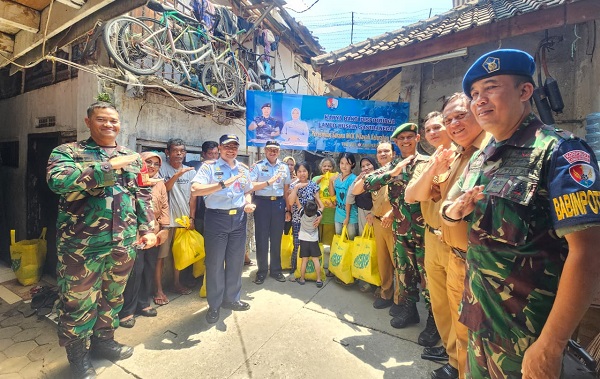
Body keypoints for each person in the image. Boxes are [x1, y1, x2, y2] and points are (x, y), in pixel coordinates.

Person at [443, 49, 600, 378]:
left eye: (492, 87)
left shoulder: (561, 152)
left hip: (528, 335)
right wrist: (453, 213)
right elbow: (452, 207)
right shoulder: (484, 156)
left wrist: (551, 344)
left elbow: (588, 252)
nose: (480, 100)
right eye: (474, 94)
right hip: (479, 320)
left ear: (525, 91)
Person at [46, 102, 157, 379]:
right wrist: (107, 166)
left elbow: (142, 193)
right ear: (88, 122)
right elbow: (57, 182)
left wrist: (148, 228)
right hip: (81, 246)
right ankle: (78, 356)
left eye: (113, 121)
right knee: (78, 302)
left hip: (123, 242)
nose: (109, 125)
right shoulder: (69, 152)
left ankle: (103, 342)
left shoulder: (132, 157)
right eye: (102, 120)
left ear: (120, 124)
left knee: (112, 297)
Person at [405, 111, 462, 377]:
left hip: (453, 240)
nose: (434, 132)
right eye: (429, 130)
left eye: (438, 126)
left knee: (457, 303)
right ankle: (451, 351)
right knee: (439, 301)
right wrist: (431, 169)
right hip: (430, 235)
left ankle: (459, 362)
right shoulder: (427, 162)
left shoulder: (466, 157)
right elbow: (412, 195)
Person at [363, 123, 431, 335]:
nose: (405, 141)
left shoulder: (428, 163)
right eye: (400, 139)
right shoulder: (394, 166)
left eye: (409, 137)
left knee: (427, 279)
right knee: (405, 274)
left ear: (418, 138)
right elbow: (369, 183)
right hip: (401, 230)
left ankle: (434, 323)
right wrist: (392, 173)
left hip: (423, 231)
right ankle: (410, 311)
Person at [191, 134, 255, 324]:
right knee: (215, 264)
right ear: (219, 148)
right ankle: (214, 305)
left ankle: (232, 299)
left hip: (239, 218)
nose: (231, 149)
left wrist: (248, 203)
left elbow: (247, 191)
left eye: (235, 146)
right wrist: (221, 184)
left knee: (236, 263)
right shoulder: (209, 167)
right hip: (216, 219)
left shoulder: (243, 169)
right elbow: (196, 189)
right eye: (227, 146)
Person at [119, 152, 171, 329]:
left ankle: (143, 303)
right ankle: (127, 311)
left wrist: (164, 228)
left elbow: (164, 206)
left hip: (154, 233)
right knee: (135, 271)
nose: (152, 166)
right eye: (148, 162)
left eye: (156, 164)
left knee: (150, 268)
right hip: (135, 233)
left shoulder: (160, 183)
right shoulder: (130, 180)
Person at [353, 142, 399, 310]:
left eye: (386, 151)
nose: (383, 154)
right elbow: (356, 192)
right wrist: (365, 175)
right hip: (378, 223)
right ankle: (386, 293)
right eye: (380, 152)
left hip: (395, 223)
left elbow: (407, 197)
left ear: (393, 153)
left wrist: (393, 212)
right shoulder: (375, 175)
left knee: (398, 263)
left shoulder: (399, 170)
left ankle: (399, 300)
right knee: (383, 261)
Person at [155, 138, 197, 306]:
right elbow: (163, 189)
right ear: (167, 152)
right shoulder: (161, 168)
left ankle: (176, 283)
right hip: (165, 221)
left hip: (183, 220)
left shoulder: (190, 171)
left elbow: (193, 197)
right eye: (175, 150)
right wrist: (176, 175)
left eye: (182, 151)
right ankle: (158, 289)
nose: (179, 153)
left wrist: (192, 217)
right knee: (161, 257)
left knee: (179, 254)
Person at [250, 140, 292, 285]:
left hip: (279, 203)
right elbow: (251, 185)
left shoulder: (284, 167)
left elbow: (287, 190)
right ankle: (261, 271)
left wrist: (288, 209)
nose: (272, 152)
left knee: (276, 238)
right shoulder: (258, 166)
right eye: (270, 149)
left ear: (279, 152)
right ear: (265, 151)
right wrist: (267, 182)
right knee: (261, 238)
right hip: (261, 203)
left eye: (275, 150)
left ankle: (276, 270)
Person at [288, 161, 323, 278]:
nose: (302, 173)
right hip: (298, 220)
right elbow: (291, 202)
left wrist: (320, 215)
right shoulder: (293, 185)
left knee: (311, 247)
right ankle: (295, 269)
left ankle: (308, 272)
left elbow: (319, 203)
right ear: (296, 172)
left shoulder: (313, 185)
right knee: (297, 244)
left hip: (311, 221)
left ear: (308, 172)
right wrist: (296, 188)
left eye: (304, 171)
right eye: (299, 171)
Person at [191, 140, 219, 234]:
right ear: (203, 154)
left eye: (216, 153)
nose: (214, 157)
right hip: (199, 212)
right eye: (211, 154)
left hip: (216, 212)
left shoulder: (222, 168)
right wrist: (192, 216)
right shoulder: (195, 167)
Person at [329, 152, 359, 240]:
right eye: (342, 163)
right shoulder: (337, 177)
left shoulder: (354, 179)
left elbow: (350, 199)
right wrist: (330, 182)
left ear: (352, 164)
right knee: (339, 241)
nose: (344, 166)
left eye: (347, 163)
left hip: (351, 217)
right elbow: (332, 194)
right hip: (338, 215)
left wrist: (347, 217)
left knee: (351, 241)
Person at [347, 156, 379, 235]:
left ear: (374, 165)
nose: (366, 168)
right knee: (364, 242)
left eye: (368, 164)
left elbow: (383, 199)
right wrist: (357, 180)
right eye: (363, 166)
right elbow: (350, 197)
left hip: (377, 214)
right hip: (361, 213)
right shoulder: (361, 180)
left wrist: (373, 213)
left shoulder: (380, 179)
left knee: (376, 241)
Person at [296, 200, 323, 287]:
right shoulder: (317, 215)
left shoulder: (302, 214)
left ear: (304, 209)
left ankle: (302, 279)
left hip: (304, 240)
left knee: (304, 260)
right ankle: (318, 279)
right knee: (315, 259)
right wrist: (318, 198)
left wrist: (296, 196)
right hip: (313, 240)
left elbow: (298, 203)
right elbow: (322, 207)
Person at [313, 157, 336, 247]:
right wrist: (317, 182)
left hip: (331, 215)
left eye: (329, 166)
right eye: (324, 166)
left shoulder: (335, 178)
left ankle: (327, 260)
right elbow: (310, 193)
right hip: (317, 215)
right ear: (321, 167)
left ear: (333, 168)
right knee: (317, 243)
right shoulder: (316, 178)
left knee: (328, 244)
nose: (327, 168)